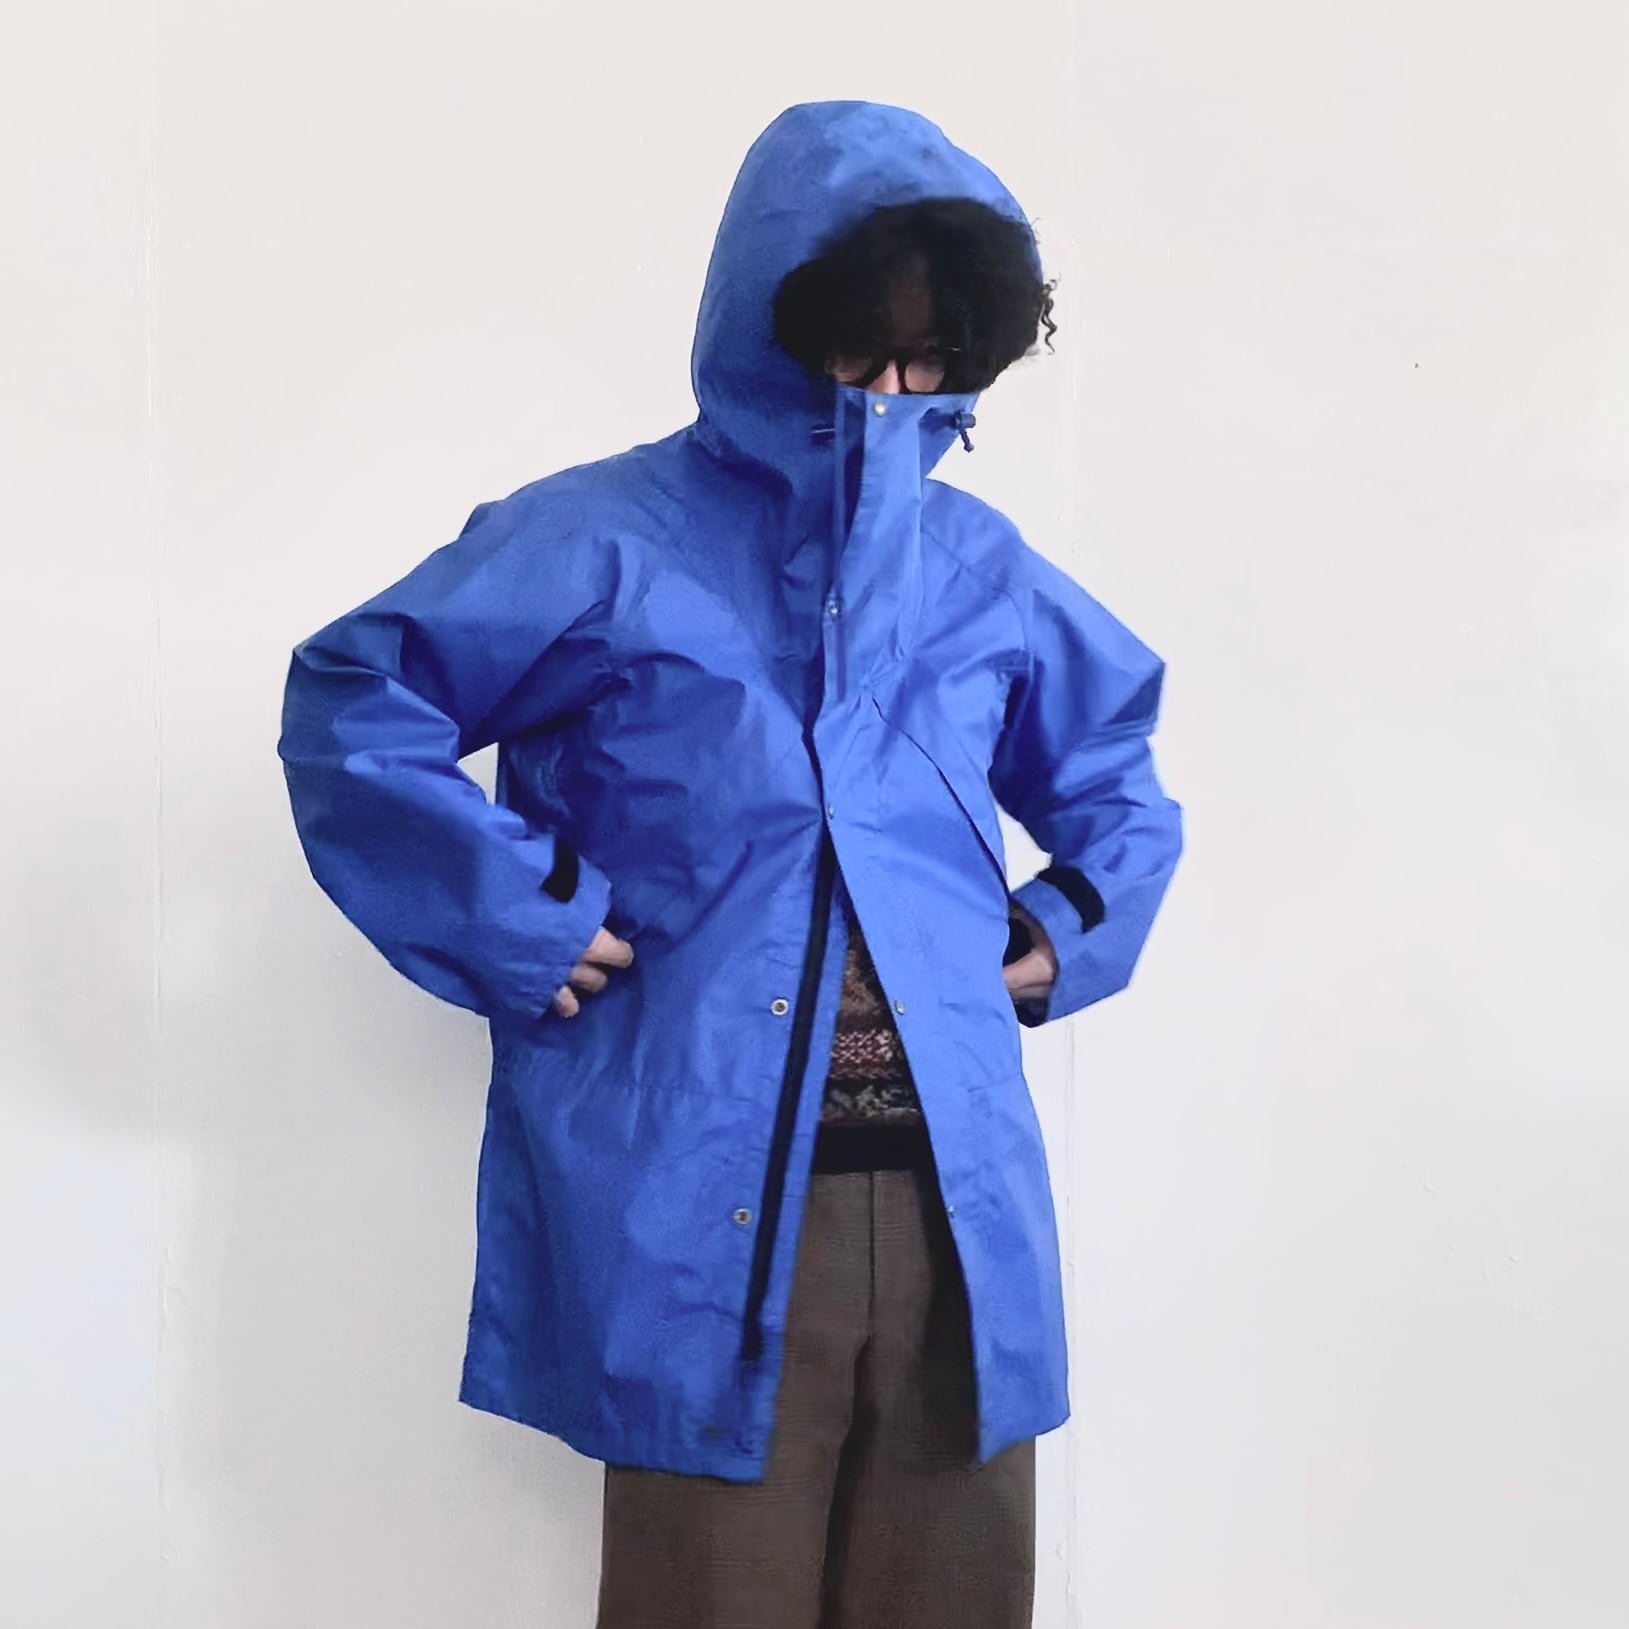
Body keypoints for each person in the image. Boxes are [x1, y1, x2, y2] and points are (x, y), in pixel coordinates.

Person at [279, 99, 1182, 1629]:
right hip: (708, 1207)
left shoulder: (976, 568)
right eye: (860, 346)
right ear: (775, 316)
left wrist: (1070, 918)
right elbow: (356, 700)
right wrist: (514, 912)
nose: (893, 392)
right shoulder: (605, 540)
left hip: (959, 1207)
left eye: (931, 358)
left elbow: (1113, 769)